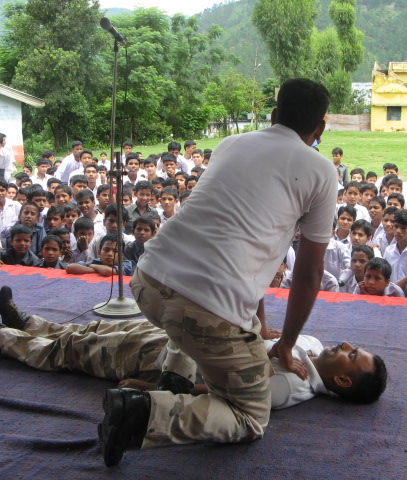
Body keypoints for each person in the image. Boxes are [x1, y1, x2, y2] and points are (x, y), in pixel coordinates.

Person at [94, 78, 335, 466]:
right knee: (251, 414)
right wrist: (286, 345)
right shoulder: (321, 171)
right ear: (320, 127)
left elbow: (232, 234)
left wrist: (257, 322)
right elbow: (308, 275)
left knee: (190, 326)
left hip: (149, 281)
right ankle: (141, 413)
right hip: (204, 313)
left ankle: (175, 379)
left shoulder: (232, 144)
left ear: (274, 116)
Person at [0, 287, 387, 411]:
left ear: (343, 380)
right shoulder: (307, 345)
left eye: (351, 355)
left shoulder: (291, 390)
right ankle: (30, 324)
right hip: (184, 337)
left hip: (175, 362)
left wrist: (154, 387)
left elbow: (224, 394)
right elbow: (268, 333)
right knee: (98, 329)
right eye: (354, 345)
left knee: (81, 353)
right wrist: (271, 336)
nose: (346, 344)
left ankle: (0, 337)